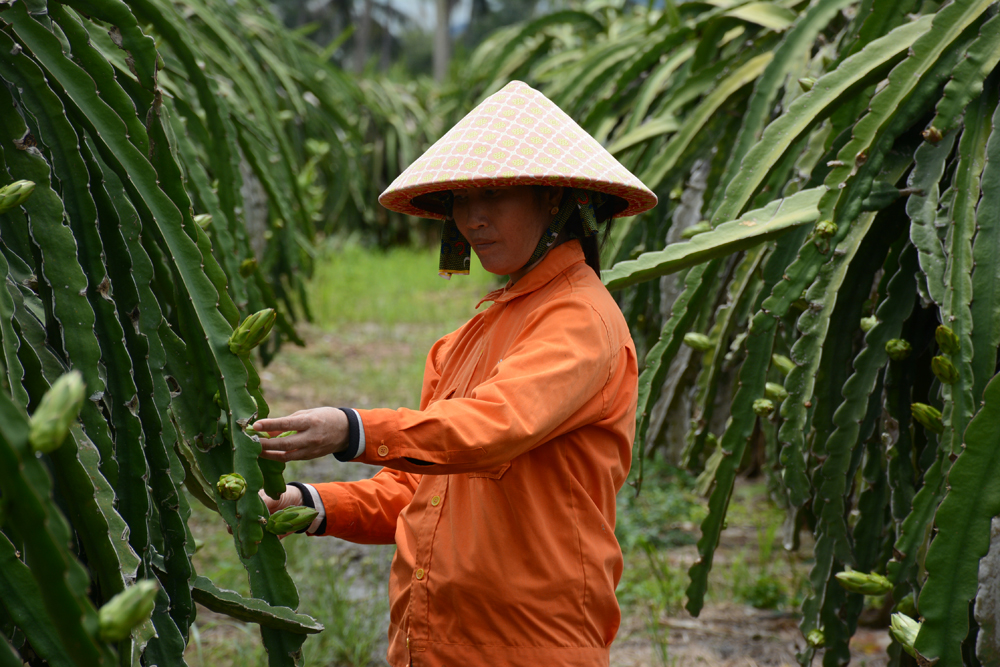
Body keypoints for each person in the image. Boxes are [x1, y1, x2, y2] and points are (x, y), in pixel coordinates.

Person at [252, 80, 657, 667]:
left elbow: (493, 428)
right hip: (435, 640)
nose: (472, 219)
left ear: (554, 199)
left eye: (493, 195)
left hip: (529, 643)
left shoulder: (579, 318)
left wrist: (352, 430)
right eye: (459, 200)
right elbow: (421, 492)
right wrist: (309, 502)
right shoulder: (463, 341)